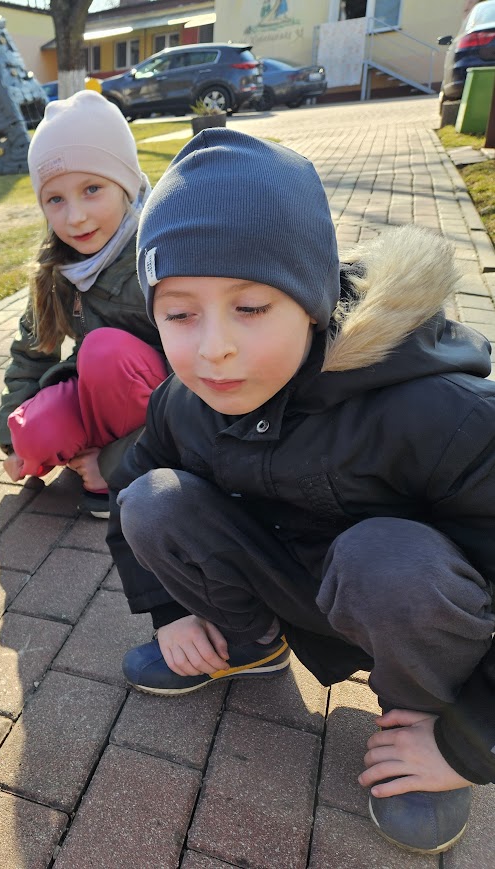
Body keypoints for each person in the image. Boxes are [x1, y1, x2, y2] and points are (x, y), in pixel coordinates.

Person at [107, 129, 495, 855]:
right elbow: (131, 487)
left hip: (406, 606)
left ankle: (420, 721)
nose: (213, 347)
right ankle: (248, 643)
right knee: (150, 498)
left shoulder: (440, 413)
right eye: (179, 313)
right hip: (290, 580)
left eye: (251, 307)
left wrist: (470, 741)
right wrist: (170, 608)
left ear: (312, 303)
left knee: (388, 558)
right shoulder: (183, 400)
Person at [0, 90, 167, 518]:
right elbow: (31, 352)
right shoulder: (57, 266)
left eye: (92, 189)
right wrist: (11, 439)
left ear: (126, 184)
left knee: (104, 349)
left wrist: (113, 462)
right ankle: (88, 449)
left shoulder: (161, 254)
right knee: (30, 436)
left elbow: (198, 383)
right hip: (97, 391)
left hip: (168, 404)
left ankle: (127, 468)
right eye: (55, 199)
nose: (75, 217)